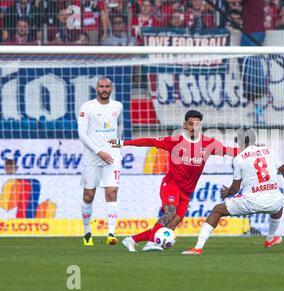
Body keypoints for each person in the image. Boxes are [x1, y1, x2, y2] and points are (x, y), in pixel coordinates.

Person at [116, 110, 240, 252]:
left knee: (172, 224)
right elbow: (150, 141)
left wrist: (251, 149)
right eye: (190, 124)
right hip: (171, 184)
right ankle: (151, 243)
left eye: (197, 124)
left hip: (187, 192)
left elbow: (228, 150)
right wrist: (124, 142)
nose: (194, 127)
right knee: (170, 213)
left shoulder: (208, 143)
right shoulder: (175, 141)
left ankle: (131, 239)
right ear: (185, 125)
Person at [182, 129, 284, 255]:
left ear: (240, 143)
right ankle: (270, 239)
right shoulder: (270, 151)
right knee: (278, 205)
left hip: (251, 202)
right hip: (274, 201)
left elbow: (235, 188)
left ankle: (198, 247)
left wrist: (227, 192)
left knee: (217, 210)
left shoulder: (239, 158)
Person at [77, 77, 124, 246]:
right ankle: (87, 232)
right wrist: (98, 151)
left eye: (107, 86)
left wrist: (117, 145)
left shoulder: (117, 106)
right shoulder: (87, 107)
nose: (104, 89)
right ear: (96, 88)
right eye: (101, 86)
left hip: (112, 156)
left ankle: (111, 233)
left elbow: (119, 126)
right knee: (89, 196)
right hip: (92, 157)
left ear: (111, 89)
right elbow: (82, 134)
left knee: (111, 192)